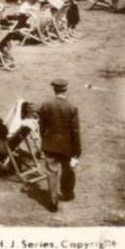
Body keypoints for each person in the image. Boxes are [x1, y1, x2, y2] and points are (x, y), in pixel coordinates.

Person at [38, 79, 81, 212]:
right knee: (67, 169)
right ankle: (67, 193)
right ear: (66, 89)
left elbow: (42, 126)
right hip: (67, 145)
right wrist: (77, 149)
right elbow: (75, 130)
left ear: (54, 89)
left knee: (51, 171)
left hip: (50, 143)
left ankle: (53, 199)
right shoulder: (72, 107)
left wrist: (44, 139)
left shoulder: (45, 105)